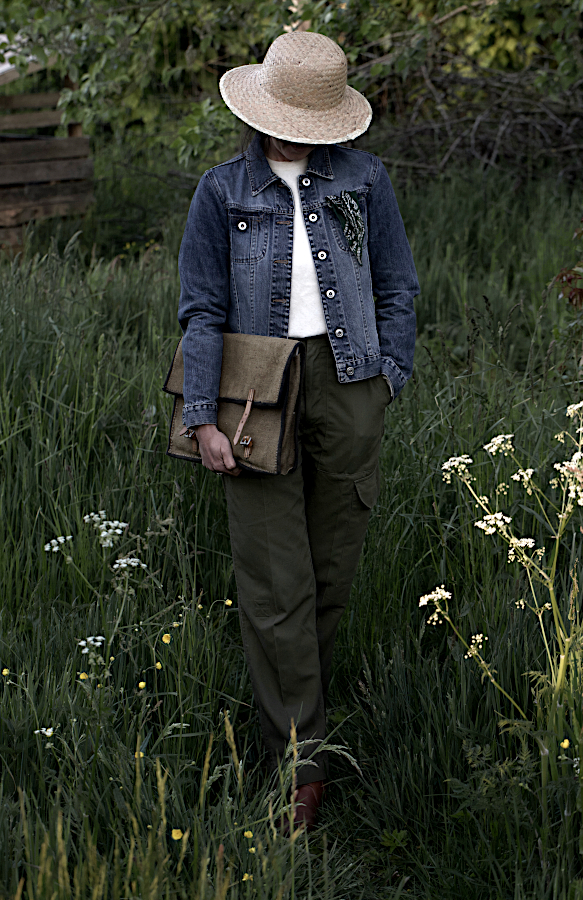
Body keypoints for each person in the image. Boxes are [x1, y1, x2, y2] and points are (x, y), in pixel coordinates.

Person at [177, 30, 419, 830]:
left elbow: (397, 285)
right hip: (256, 393)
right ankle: (302, 764)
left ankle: (299, 717)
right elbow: (202, 309)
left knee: (328, 572)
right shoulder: (222, 191)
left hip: (350, 383)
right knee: (275, 581)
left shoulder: (364, 178)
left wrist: (388, 378)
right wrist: (202, 414)